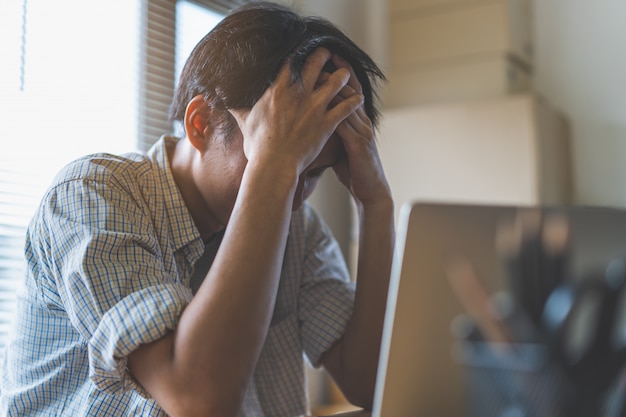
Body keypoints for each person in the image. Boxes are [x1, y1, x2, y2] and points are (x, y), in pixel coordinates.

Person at [0, 2, 394, 416]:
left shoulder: (300, 228)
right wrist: (275, 166)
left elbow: (369, 384)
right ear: (201, 123)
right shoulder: (91, 196)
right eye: (279, 159)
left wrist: (376, 205)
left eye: (312, 173)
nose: (295, 198)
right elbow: (198, 400)